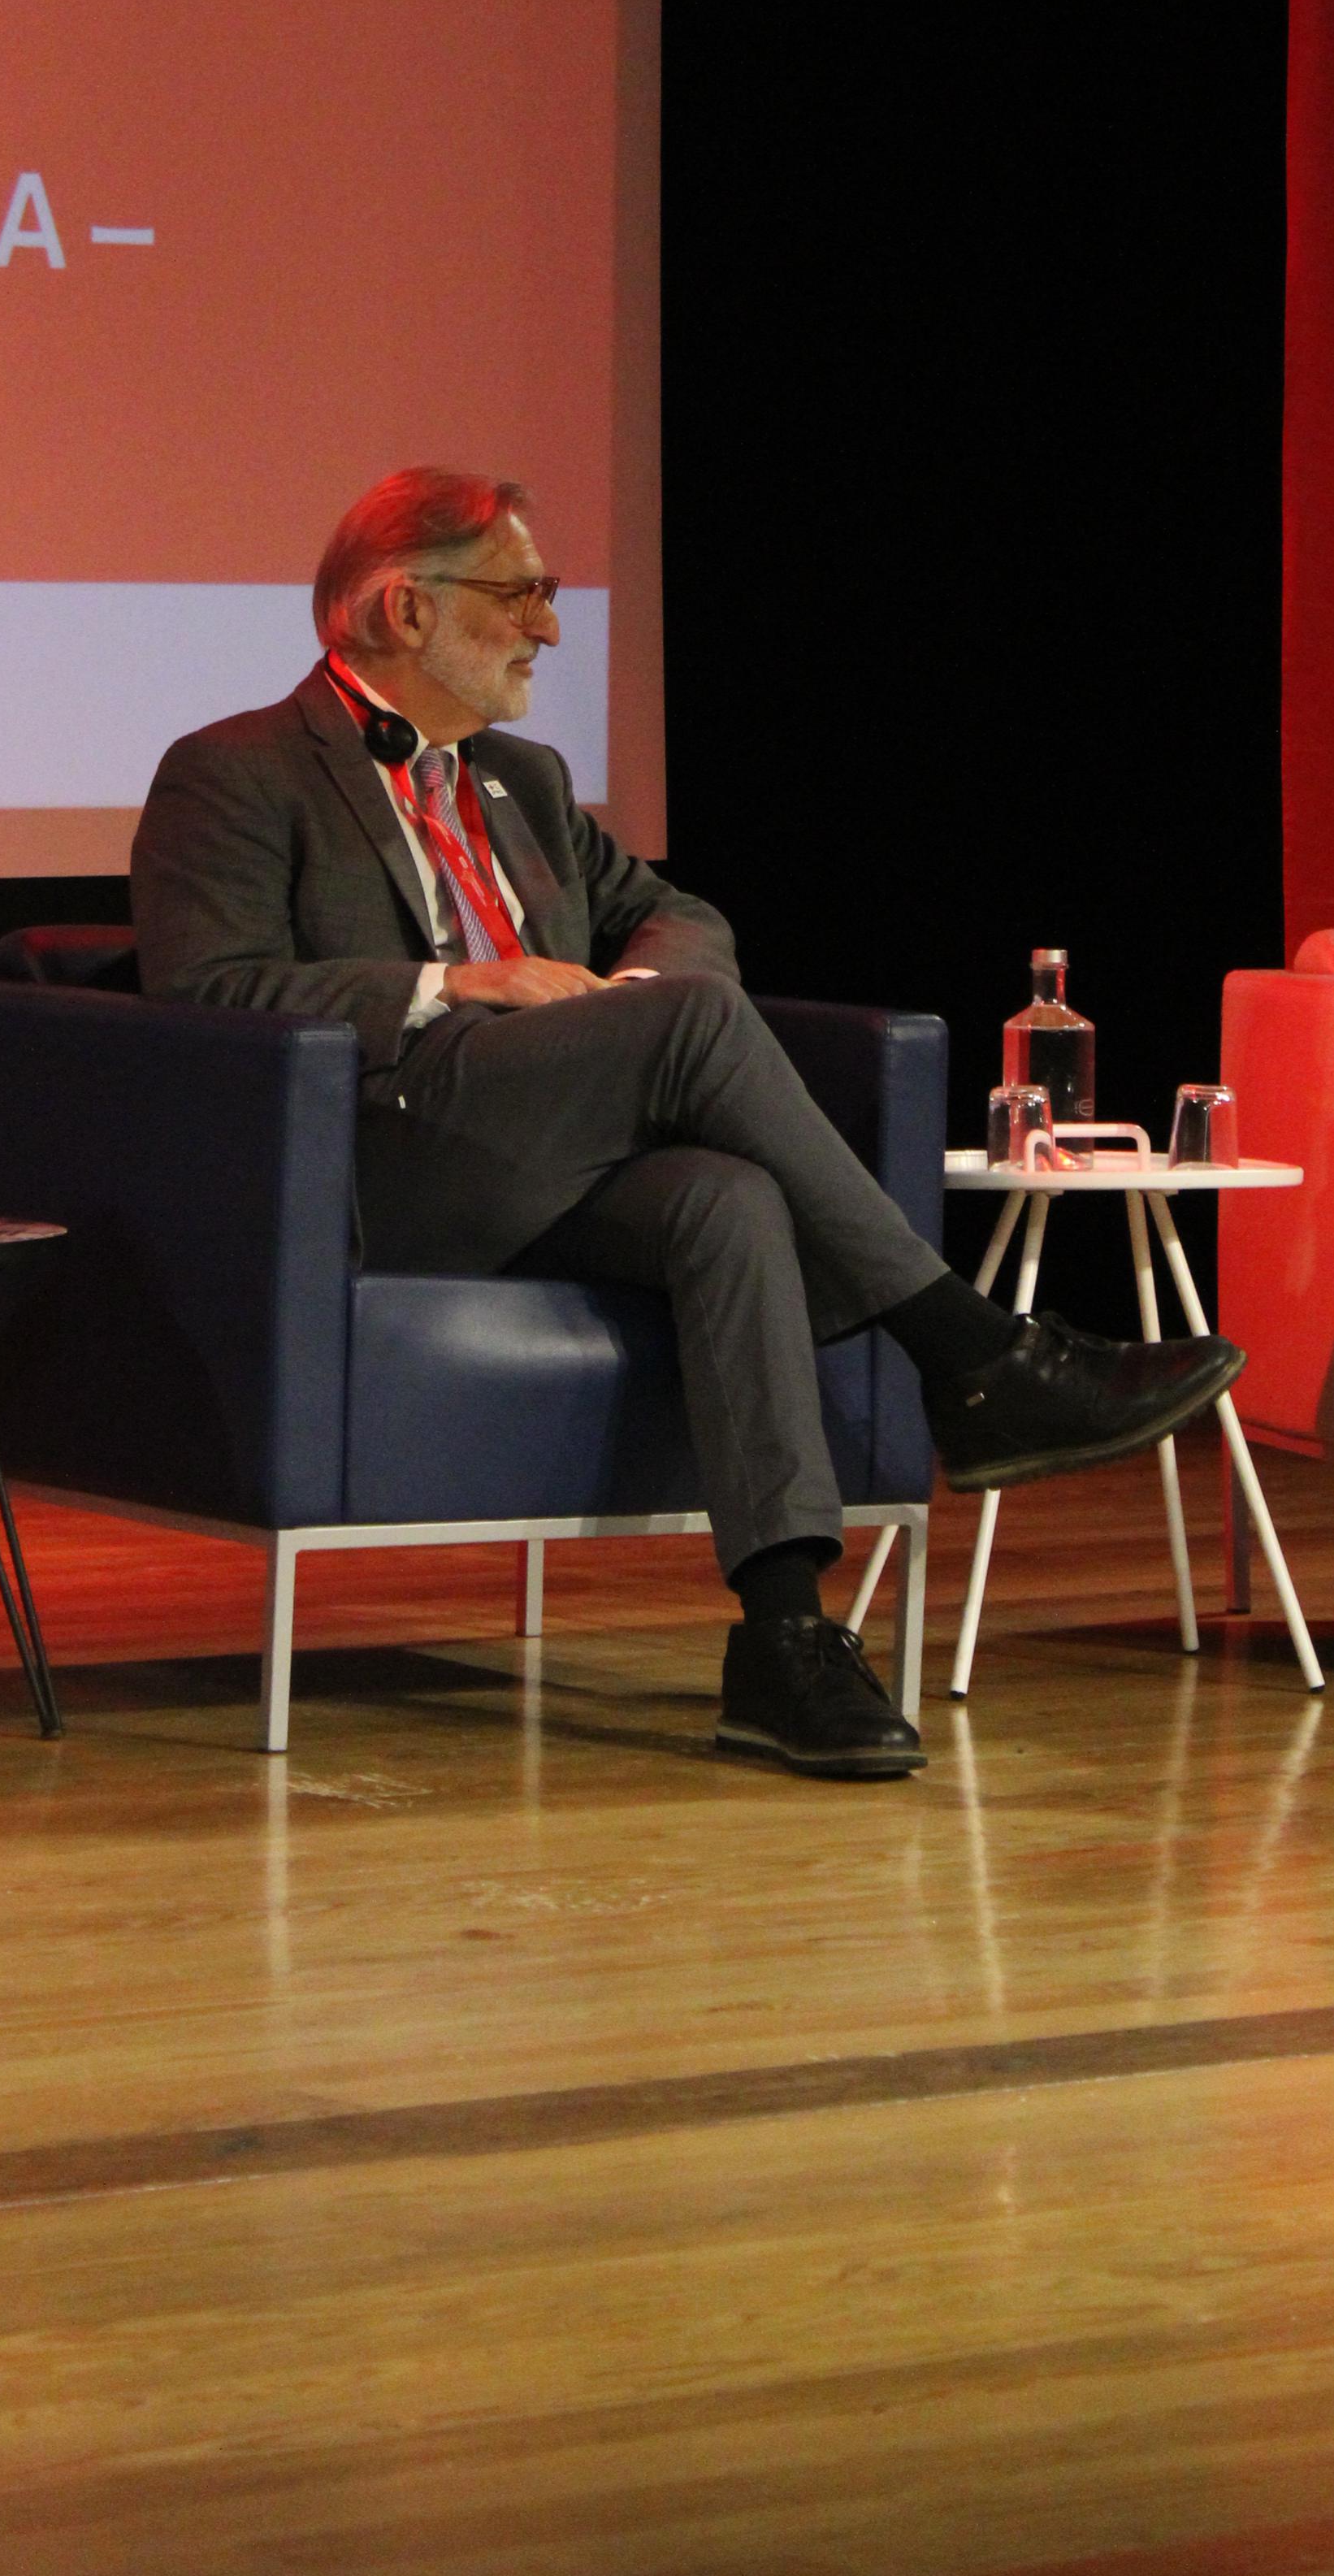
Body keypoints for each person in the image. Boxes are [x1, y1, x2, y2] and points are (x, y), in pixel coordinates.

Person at [132, 467, 1245, 1777]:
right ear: (404, 610)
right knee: (693, 1027)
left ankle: (782, 1637)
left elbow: (678, 917)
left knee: (728, 1199)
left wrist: (632, 997)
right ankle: (978, 1355)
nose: (549, 627)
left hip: (548, 1152)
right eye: (519, 594)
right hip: (384, 1161)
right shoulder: (236, 771)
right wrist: (457, 984)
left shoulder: (522, 781)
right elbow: (206, 989)